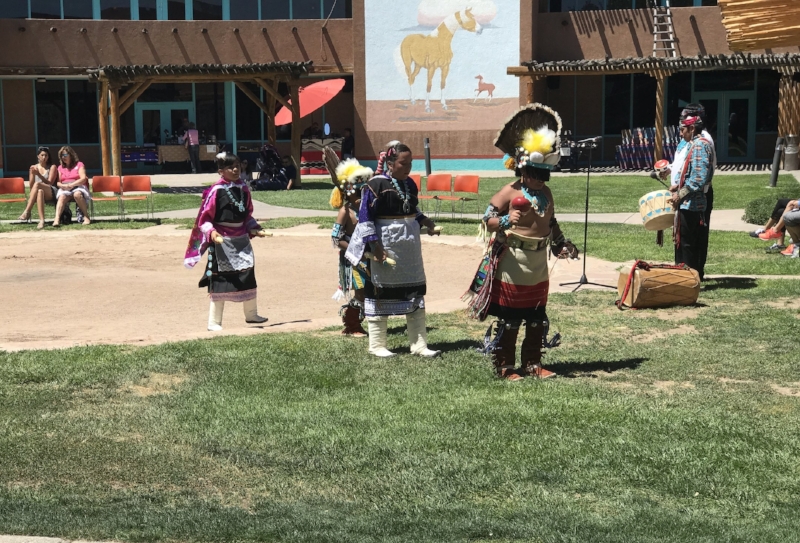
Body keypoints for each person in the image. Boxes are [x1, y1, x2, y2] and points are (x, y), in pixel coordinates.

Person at [463, 103, 578, 381]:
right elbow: (485, 220)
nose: (541, 181)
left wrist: (561, 244)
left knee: (537, 317)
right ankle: (504, 366)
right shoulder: (507, 192)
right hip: (513, 261)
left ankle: (532, 364)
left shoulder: (546, 194)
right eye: (536, 175)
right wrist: (506, 220)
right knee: (512, 318)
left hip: (538, 264)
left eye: (545, 175)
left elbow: (551, 224)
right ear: (523, 169)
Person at [345, 141, 441, 358]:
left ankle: (419, 345)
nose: (408, 167)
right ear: (390, 162)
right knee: (380, 292)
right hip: (386, 246)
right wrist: (375, 246)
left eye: (410, 163)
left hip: (409, 250)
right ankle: (377, 345)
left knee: (415, 292)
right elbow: (365, 219)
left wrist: (426, 222)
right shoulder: (375, 185)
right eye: (403, 163)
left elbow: (411, 210)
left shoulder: (410, 184)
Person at [184, 152, 270, 331]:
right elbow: (204, 219)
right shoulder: (216, 191)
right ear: (221, 171)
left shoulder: (243, 189)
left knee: (247, 275)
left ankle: (251, 314)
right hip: (222, 241)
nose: (236, 169)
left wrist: (255, 228)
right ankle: (214, 322)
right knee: (221, 280)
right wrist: (212, 233)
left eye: (238, 165)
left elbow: (247, 215)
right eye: (231, 167)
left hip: (242, 241)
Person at [328, 155, 374, 336]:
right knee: (360, 292)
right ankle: (352, 325)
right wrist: (356, 251)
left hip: (368, 255)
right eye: (358, 193)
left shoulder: (368, 209)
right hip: (352, 259)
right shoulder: (345, 211)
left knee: (369, 290)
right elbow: (335, 238)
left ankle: (358, 322)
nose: (361, 197)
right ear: (348, 191)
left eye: (365, 192)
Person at [670, 115, 713, 280]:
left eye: (682, 129)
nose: (681, 134)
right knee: (684, 244)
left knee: (688, 245)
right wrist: (678, 185)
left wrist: (680, 194)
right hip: (689, 203)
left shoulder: (700, 146)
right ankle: (683, 278)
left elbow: (698, 178)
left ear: (692, 128)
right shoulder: (694, 144)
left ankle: (689, 281)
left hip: (692, 205)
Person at [18, 146, 57, 229]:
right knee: (39, 191)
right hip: (38, 192)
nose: (44, 157)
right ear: (38, 156)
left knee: (37, 184)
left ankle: (27, 211)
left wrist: (38, 174)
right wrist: (33, 173)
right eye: (42, 155)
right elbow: (31, 186)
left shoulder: (52, 167)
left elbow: (50, 182)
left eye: (46, 155)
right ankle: (42, 221)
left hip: (51, 191)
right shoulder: (34, 167)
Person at [53, 146, 90, 227]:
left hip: (78, 186)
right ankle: (57, 219)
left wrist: (72, 184)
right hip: (65, 188)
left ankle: (86, 216)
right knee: (62, 197)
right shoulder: (60, 167)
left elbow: (83, 178)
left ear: (71, 155)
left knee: (77, 194)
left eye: (65, 155)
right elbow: (58, 182)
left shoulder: (79, 164)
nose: (63, 157)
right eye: (62, 156)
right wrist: (63, 186)